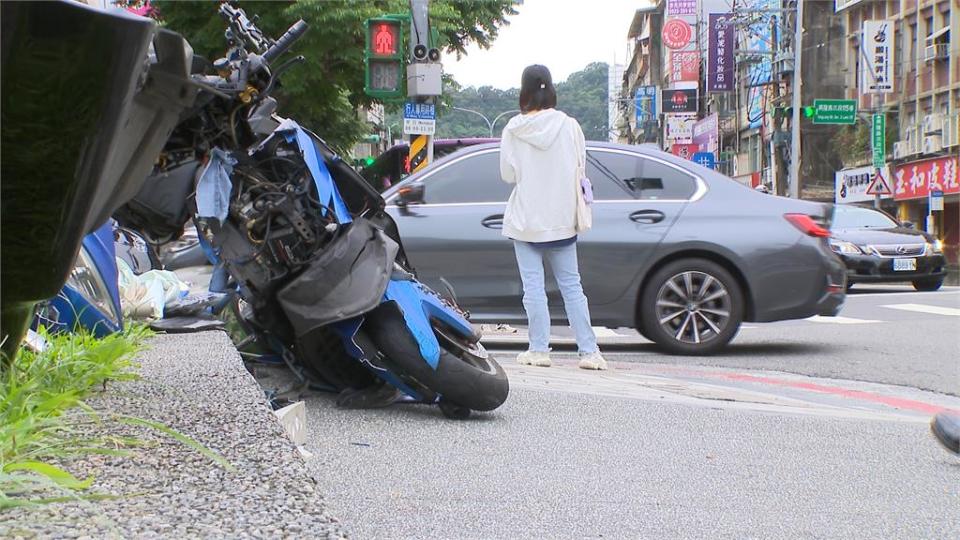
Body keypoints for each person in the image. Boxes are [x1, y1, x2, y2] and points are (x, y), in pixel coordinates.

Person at [498, 64, 607, 371]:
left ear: (524, 91)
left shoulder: (513, 129)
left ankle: (538, 349)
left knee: (533, 288)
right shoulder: (570, 126)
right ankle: (589, 352)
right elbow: (579, 166)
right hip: (561, 219)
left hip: (526, 220)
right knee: (572, 286)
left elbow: (508, 175)